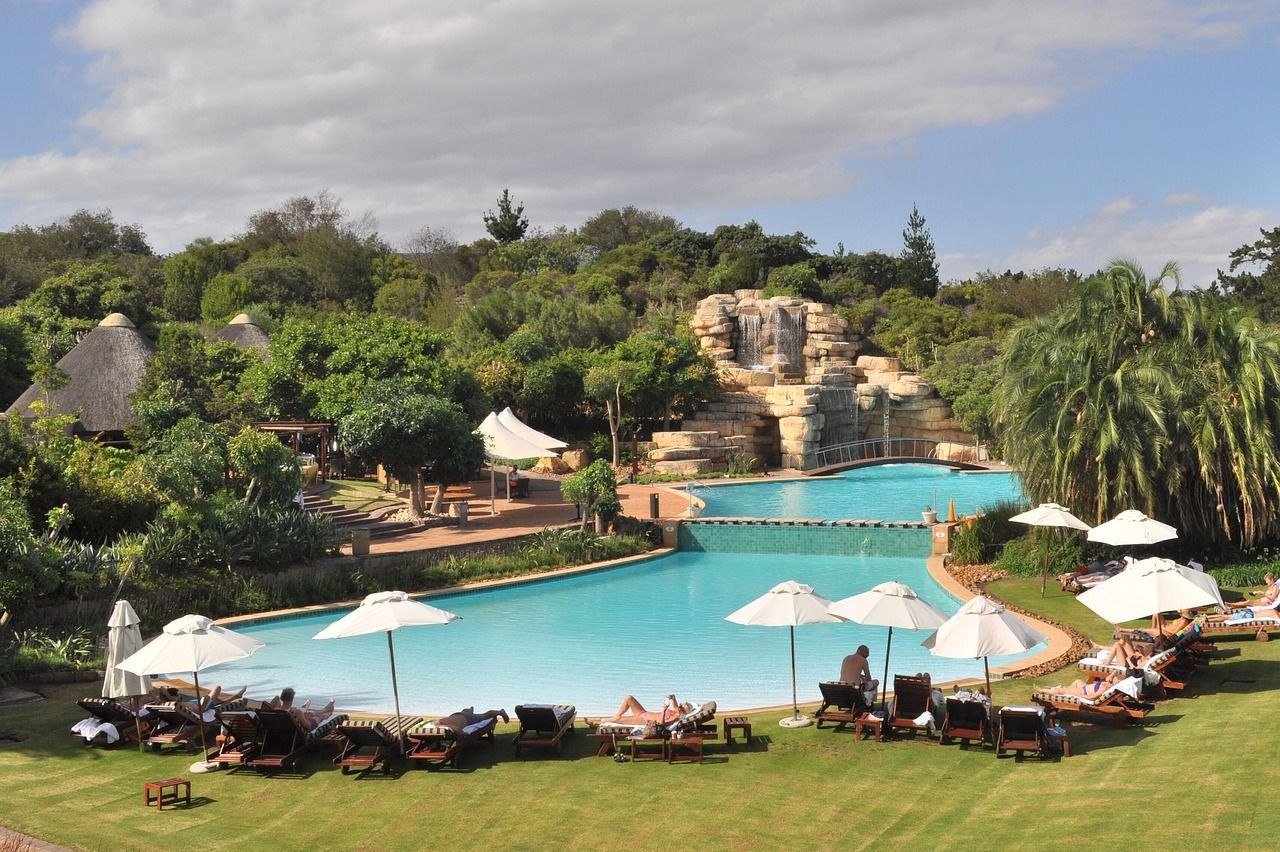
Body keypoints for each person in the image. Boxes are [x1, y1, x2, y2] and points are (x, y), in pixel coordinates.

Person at [601, 694, 682, 726]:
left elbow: (661, 723)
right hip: (644, 713)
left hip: (645, 720)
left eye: (683, 707)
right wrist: (672, 697)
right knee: (629, 698)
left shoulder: (677, 717)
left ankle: (600, 722)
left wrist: (664, 710)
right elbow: (674, 701)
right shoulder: (676, 711)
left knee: (619, 720)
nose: (681, 706)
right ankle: (614, 717)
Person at [1036, 672, 1122, 699]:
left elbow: (1091, 697)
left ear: (1111, 684)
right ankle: (1065, 689)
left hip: (1083, 691)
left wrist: (1078, 695)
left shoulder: (1104, 688)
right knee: (1077, 681)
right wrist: (1112, 675)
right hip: (1084, 687)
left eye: (1111, 679)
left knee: (1061, 691)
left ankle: (1043, 691)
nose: (1109, 678)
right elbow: (1115, 671)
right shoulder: (1106, 684)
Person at [433, 706, 509, 737]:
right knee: (465, 713)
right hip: (456, 715)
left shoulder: (451, 728)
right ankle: (469, 710)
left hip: (466, 718)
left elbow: (459, 731)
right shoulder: (437, 724)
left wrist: (462, 733)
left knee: (484, 716)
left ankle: (501, 712)